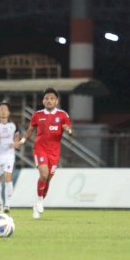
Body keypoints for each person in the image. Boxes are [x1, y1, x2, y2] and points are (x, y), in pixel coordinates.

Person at [23, 87, 73, 219]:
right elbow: (30, 130)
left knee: (48, 180)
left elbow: (68, 128)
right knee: (43, 174)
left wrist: (68, 131)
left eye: (52, 98)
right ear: (43, 101)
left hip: (54, 153)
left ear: (57, 101)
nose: (49, 100)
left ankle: (38, 203)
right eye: (46, 98)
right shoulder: (37, 115)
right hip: (40, 149)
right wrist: (22, 141)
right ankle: (39, 200)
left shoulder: (63, 115)